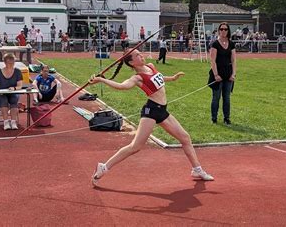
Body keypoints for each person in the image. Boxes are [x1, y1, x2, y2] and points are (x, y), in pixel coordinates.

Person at [89, 49, 214, 186]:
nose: (141, 55)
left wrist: (172, 78)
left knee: (185, 137)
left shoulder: (150, 66)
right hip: (151, 111)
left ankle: (197, 170)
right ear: (131, 62)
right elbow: (122, 86)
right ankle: (104, 167)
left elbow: (159, 77)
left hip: (163, 111)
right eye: (137, 55)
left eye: (139, 53)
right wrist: (101, 79)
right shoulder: (137, 78)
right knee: (135, 147)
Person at [209, 22, 236, 125]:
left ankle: (226, 118)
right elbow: (213, 61)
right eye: (221, 29)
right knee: (216, 97)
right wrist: (216, 75)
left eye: (225, 29)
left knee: (227, 98)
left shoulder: (231, 43)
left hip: (228, 74)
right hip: (217, 74)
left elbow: (233, 60)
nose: (223, 31)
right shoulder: (215, 44)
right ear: (218, 30)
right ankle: (214, 118)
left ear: (228, 31)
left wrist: (233, 74)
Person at [0, 53, 23, 131]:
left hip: (12, 93)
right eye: (9, 63)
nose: (11, 64)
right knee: (3, 99)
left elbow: (20, 86)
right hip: (1, 94)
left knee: (14, 99)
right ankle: (6, 122)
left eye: (13, 62)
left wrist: (14, 88)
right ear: (5, 62)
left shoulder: (17, 71)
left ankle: (13, 121)